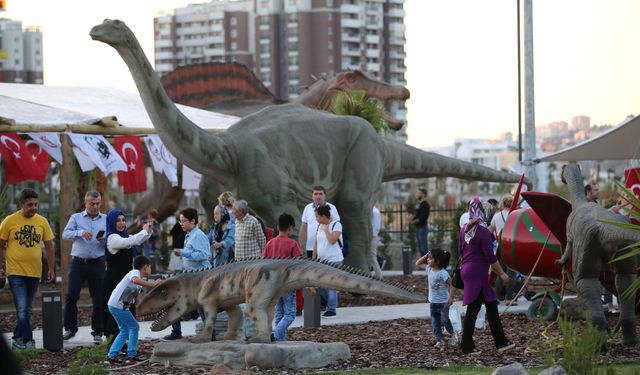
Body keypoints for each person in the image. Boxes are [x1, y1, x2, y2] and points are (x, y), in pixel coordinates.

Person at [0, 188, 55, 350]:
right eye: (30, 204)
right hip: (15, 272)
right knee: (23, 308)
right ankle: (29, 340)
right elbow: (0, 245)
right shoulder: (9, 221)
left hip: (35, 272)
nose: (34, 207)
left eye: (36, 204)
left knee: (27, 309)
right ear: (21, 204)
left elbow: (49, 246)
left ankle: (17, 337)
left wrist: (51, 268)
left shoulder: (42, 221)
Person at [458, 197, 514, 355]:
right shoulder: (482, 231)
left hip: (468, 270)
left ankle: (500, 342)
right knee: (474, 308)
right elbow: (490, 257)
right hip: (478, 273)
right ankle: (468, 346)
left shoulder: (464, 230)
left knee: (489, 305)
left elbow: (460, 252)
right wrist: (502, 274)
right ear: (482, 211)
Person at [61, 191, 107, 342]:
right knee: (72, 295)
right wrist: (80, 232)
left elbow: (113, 240)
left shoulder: (106, 220)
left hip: (97, 263)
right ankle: (70, 328)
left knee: (99, 298)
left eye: (97, 204)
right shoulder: (76, 218)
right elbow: (65, 234)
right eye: (91, 204)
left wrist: (104, 241)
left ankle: (98, 332)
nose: (94, 206)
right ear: (85, 203)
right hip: (78, 263)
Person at [102, 209, 153, 343]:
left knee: (126, 311)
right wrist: (144, 231)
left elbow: (137, 240)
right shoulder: (113, 238)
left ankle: (123, 343)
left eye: (123, 220)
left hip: (127, 282)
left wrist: (148, 230)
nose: (121, 223)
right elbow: (131, 241)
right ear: (112, 222)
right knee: (115, 315)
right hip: (114, 281)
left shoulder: (125, 236)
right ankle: (111, 344)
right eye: (118, 220)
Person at [164, 207, 212, 340]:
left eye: (184, 221)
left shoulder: (199, 236)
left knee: (202, 307)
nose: (181, 224)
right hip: (190, 277)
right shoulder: (189, 235)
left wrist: (183, 252)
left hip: (201, 277)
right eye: (180, 221)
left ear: (193, 221)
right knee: (186, 303)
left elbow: (203, 255)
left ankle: (210, 334)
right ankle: (177, 331)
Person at [104, 255, 161, 366]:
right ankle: (131, 356)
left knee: (124, 330)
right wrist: (152, 284)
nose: (150, 270)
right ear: (145, 267)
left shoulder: (140, 281)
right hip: (117, 305)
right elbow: (134, 281)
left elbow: (137, 299)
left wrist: (141, 309)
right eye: (150, 267)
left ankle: (111, 357)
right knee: (134, 327)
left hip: (116, 306)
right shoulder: (134, 273)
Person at [262, 213, 302, 341]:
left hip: (273, 284)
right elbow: (298, 263)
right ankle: (275, 334)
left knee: (279, 313)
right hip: (288, 283)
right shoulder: (292, 244)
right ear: (290, 228)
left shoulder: (269, 244)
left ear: (278, 227)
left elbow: (263, 263)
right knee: (290, 314)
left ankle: (281, 340)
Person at [415, 248, 457, 349]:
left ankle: (453, 335)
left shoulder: (443, 273)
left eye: (430, 258)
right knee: (435, 323)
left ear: (437, 261)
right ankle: (440, 340)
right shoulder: (429, 269)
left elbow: (452, 285)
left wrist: (451, 297)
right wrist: (425, 256)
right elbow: (417, 263)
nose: (427, 260)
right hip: (433, 302)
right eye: (428, 259)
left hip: (443, 303)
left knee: (445, 320)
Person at [312, 204, 343, 318]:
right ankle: (328, 302)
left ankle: (331, 309)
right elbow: (316, 243)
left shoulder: (336, 225)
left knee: (331, 285)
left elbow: (333, 240)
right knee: (320, 284)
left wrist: (326, 230)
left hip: (334, 260)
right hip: (322, 261)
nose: (316, 219)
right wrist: (313, 259)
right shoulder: (319, 226)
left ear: (324, 216)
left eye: (317, 216)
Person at [299, 186, 340, 259]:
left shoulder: (332, 208)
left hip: (327, 248)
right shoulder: (307, 208)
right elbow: (303, 228)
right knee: (312, 270)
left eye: (320, 194)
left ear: (325, 196)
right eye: (315, 194)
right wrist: (301, 246)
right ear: (312, 196)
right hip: (310, 247)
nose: (318, 196)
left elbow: (337, 227)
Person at [489, 195, 517, 303]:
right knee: (511, 273)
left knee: (501, 273)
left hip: (500, 247)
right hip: (512, 248)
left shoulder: (497, 216)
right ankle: (509, 298)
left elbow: (490, 230)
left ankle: (495, 297)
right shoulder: (515, 215)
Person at [411, 188, 431, 256]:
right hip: (418, 228)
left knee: (424, 248)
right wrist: (412, 217)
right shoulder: (419, 204)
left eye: (418, 193)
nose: (417, 194)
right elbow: (417, 215)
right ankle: (423, 263)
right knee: (420, 247)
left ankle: (428, 264)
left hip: (422, 228)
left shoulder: (425, 205)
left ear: (423, 194)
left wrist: (413, 221)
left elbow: (423, 218)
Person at [369, 205, 383, 278]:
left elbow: (376, 227)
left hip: (372, 237)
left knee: (372, 256)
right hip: (370, 236)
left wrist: (372, 236)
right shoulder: (371, 211)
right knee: (371, 256)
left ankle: (379, 275)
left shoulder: (375, 211)